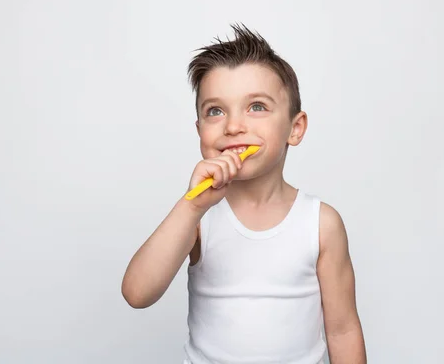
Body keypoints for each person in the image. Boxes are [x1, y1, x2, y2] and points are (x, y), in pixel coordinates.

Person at [121, 24, 366, 364]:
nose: (233, 126)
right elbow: (137, 293)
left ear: (295, 129)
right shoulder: (196, 217)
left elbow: (342, 330)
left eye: (256, 107)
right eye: (215, 111)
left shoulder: (320, 223)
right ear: (199, 131)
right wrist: (190, 207)